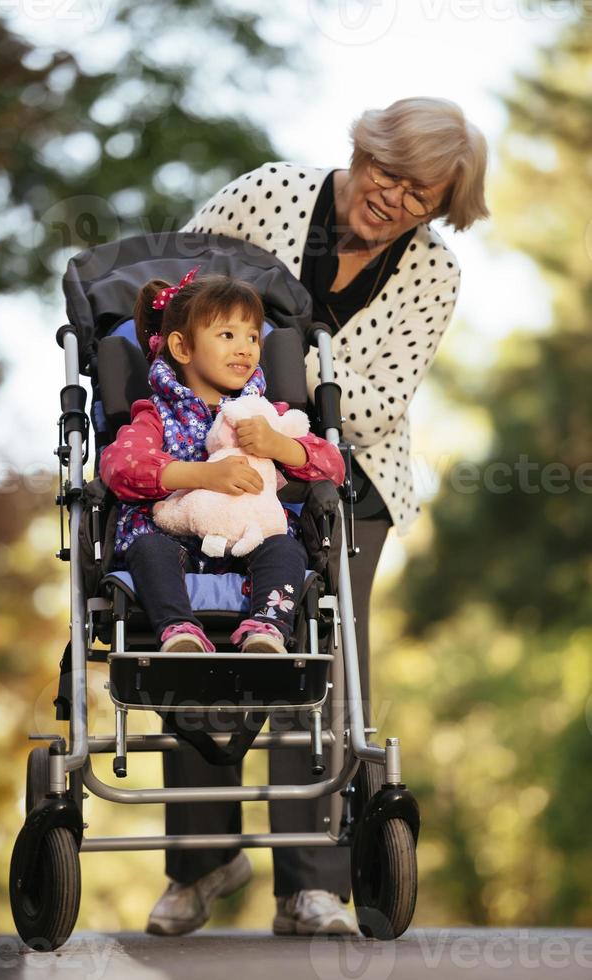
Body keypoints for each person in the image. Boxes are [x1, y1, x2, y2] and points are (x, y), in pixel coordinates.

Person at [144, 96, 490, 936]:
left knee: (318, 658)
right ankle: (202, 860)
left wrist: (279, 413)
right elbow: (168, 299)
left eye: (420, 195)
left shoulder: (433, 275)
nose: (392, 198)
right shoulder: (269, 193)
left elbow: (378, 402)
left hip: (343, 477)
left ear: (442, 206)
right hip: (216, 458)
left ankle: (310, 883)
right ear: (361, 148)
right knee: (196, 635)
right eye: (386, 172)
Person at [100, 269, 344, 657]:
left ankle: (267, 627)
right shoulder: (156, 416)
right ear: (182, 348)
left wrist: (279, 445)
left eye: (252, 337)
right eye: (228, 335)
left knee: (287, 549)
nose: (246, 348)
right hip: (173, 539)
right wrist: (204, 475)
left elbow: (332, 466)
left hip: (251, 541)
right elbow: (120, 466)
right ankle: (178, 630)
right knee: (147, 549)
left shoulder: (266, 414)